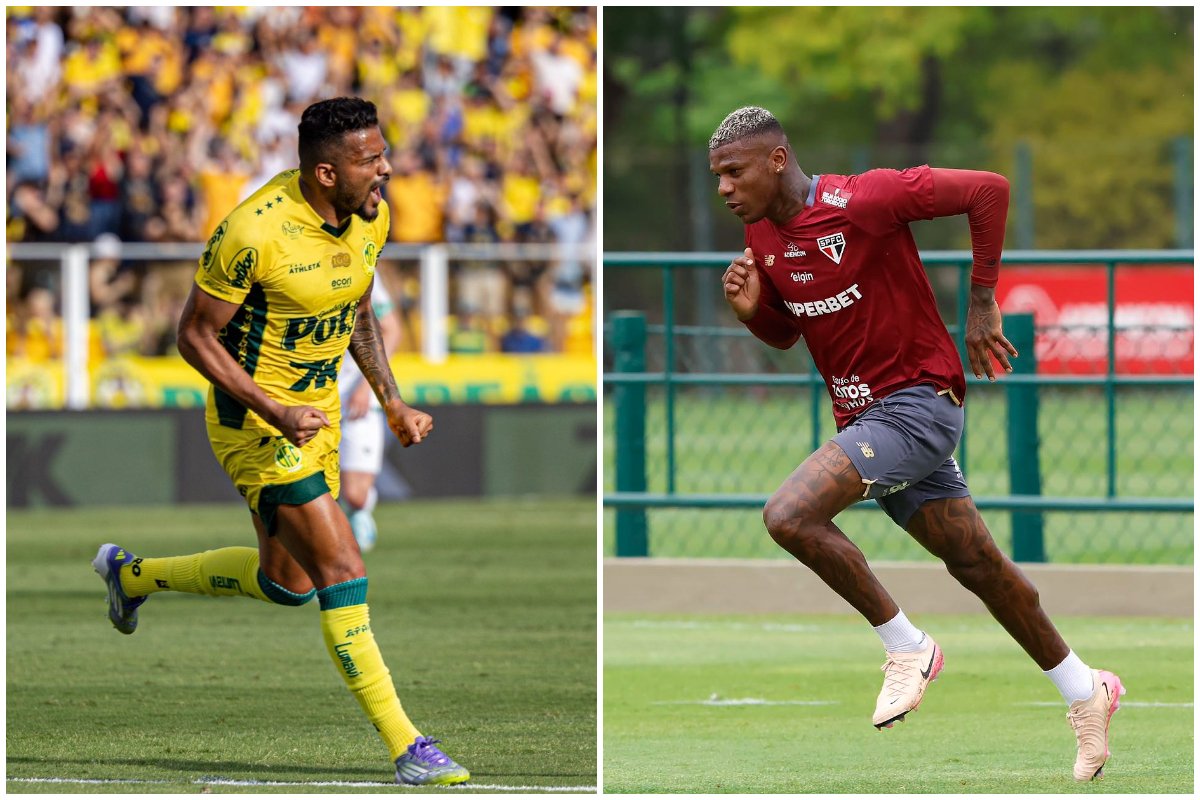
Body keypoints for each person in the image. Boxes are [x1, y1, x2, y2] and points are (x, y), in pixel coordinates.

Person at [710, 106, 1122, 782]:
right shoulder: (761, 235)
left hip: (918, 407)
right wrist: (756, 311)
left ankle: (908, 648)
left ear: (777, 159)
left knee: (788, 515)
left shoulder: (865, 199)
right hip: (868, 425)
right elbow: (791, 332)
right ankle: (1086, 691)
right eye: (717, 177)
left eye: (734, 172)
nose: (724, 188)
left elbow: (988, 189)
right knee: (980, 567)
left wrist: (983, 300)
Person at [91, 97, 470, 786]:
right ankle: (407, 745)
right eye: (369, 160)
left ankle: (132, 575)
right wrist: (274, 408)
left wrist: (392, 401)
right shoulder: (252, 233)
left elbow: (354, 308)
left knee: (288, 585)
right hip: (257, 426)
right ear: (326, 172)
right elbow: (193, 336)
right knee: (343, 567)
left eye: (382, 153)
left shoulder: (370, 216)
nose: (385, 169)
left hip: (320, 418)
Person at [338, 275, 402, 552]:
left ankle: (357, 512)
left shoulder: (361, 271)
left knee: (355, 495)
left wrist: (368, 385)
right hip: (309, 400)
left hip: (355, 400)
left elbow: (392, 329)